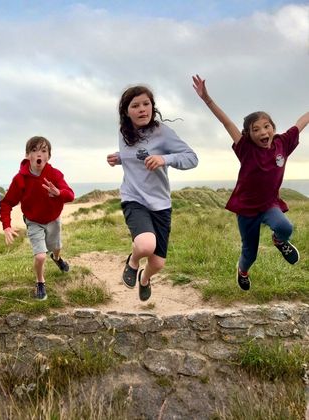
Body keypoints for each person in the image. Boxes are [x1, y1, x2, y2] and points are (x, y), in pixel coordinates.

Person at [192, 74, 309, 291]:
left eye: (267, 126)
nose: (263, 132)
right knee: (250, 253)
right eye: (256, 129)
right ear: (248, 134)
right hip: (247, 210)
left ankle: (279, 241)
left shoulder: (283, 143)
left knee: (285, 226)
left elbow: (301, 123)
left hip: (269, 205)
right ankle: (242, 271)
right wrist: (207, 99)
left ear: (273, 127)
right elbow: (226, 122)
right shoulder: (246, 148)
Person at [107, 85, 198, 301]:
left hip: (160, 204)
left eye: (146, 104)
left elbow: (192, 158)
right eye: (135, 106)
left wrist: (165, 159)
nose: (142, 110)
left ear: (152, 106)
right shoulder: (124, 132)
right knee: (146, 245)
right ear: (126, 112)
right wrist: (120, 157)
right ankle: (133, 262)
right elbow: (136, 154)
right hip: (133, 198)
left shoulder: (163, 132)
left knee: (158, 263)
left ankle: (145, 279)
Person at [0, 136, 74, 300]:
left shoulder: (55, 174)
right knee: (40, 255)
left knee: (55, 247)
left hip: (53, 218)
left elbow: (70, 195)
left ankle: (56, 257)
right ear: (28, 156)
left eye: (43, 150)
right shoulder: (20, 179)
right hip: (33, 221)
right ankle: (40, 281)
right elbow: (6, 203)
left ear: (48, 156)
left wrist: (58, 193)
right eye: (34, 150)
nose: (39, 154)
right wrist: (6, 225)